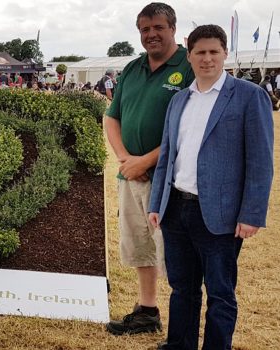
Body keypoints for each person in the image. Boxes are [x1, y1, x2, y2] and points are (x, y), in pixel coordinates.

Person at [148, 25, 274, 350]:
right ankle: (180, 344)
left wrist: (251, 214)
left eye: (213, 52)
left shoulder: (249, 96)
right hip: (176, 209)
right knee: (182, 287)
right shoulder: (178, 101)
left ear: (225, 54)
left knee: (220, 292)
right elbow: (167, 157)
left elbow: (261, 162)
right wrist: (155, 204)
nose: (207, 59)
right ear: (188, 55)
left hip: (220, 215)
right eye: (200, 52)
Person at [104, 2, 194, 336]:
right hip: (130, 175)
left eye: (158, 27)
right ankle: (148, 311)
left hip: (168, 178)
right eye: (145, 29)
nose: (151, 34)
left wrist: (146, 161)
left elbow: (188, 127)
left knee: (171, 250)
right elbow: (112, 117)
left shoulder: (188, 65)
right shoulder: (131, 67)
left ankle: (183, 323)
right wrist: (126, 159)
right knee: (139, 245)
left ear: (172, 28)